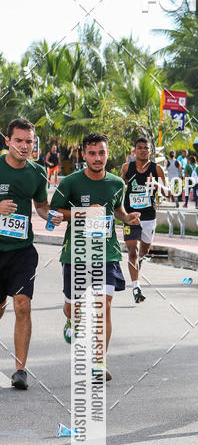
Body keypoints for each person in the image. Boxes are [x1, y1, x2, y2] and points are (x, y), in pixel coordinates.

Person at [53, 132, 140, 380]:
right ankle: (71, 320)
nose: (97, 158)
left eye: (101, 152)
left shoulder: (116, 183)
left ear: (107, 154)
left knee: (104, 306)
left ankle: (99, 362)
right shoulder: (70, 182)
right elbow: (55, 210)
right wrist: (83, 213)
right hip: (77, 254)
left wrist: (127, 217)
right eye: (92, 153)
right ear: (84, 155)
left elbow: (118, 210)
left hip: (107, 252)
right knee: (74, 309)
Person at [0, 118, 62, 390]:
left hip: (23, 250)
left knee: (22, 304)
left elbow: (41, 206)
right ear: (8, 142)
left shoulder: (38, 173)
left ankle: (20, 370)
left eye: (29, 142)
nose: (25, 146)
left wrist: (53, 216)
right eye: (19, 141)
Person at [120, 136, 164, 303]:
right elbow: (119, 188)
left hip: (148, 217)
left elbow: (169, 192)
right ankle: (136, 287)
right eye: (140, 148)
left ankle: (139, 262)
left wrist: (157, 185)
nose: (143, 150)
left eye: (146, 148)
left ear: (150, 151)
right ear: (135, 150)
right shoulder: (126, 168)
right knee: (133, 251)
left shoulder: (156, 169)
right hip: (130, 216)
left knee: (143, 251)